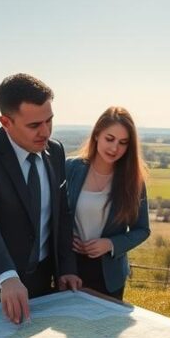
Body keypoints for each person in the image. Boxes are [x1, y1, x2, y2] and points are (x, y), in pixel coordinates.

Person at [0, 73, 81, 322]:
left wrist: (66, 268)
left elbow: (61, 214)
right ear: (6, 121)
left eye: (49, 121)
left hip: (42, 288)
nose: (45, 132)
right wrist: (7, 277)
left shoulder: (55, 151)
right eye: (34, 125)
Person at [65, 107, 150, 301]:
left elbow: (142, 229)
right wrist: (65, 238)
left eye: (123, 143)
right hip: (69, 268)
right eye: (109, 139)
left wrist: (110, 244)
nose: (114, 148)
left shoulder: (133, 180)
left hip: (109, 274)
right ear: (96, 135)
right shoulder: (70, 168)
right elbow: (53, 214)